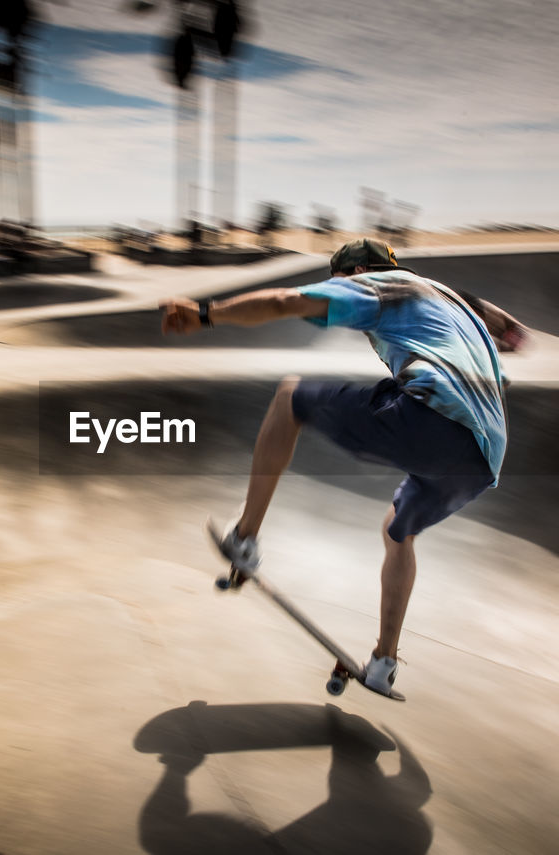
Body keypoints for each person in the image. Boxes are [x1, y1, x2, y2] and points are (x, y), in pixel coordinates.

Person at [159, 238, 527, 695]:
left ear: (354, 274)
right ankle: (384, 661)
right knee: (398, 529)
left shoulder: (378, 285)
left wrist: (204, 312)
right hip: (481, 458)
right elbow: (504, 325)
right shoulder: (445, 296)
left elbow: (282, 302)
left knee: (289, 396)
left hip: (431, 417)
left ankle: (245, 538)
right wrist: (507, 335)